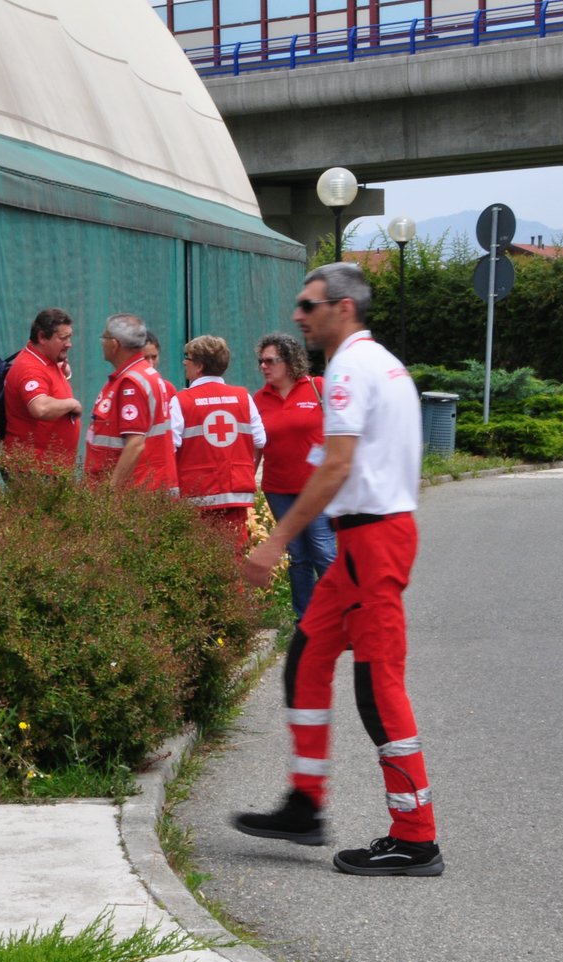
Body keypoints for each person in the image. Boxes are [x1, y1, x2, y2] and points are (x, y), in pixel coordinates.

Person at [233, 263, 443, 878]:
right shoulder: (381, 364)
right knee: (307, 658)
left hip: (373, 539)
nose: (299, 315)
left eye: (308, 304)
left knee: (379, 685)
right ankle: (304, 804)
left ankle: (416, 837)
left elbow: (335, 467)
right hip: (367, 539)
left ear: (342, 308)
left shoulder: (350, 367)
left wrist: (276, 542)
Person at [252, 332, 337, 623]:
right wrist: (247, 483)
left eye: (270, 360)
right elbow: (256, 446)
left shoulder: (317, 388)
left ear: (289, 361)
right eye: (260, 361)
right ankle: (307, 620)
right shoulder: (259, 399)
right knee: (298, 556)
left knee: (324, 551)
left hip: (316, 488)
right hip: (279, 490)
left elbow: (343, 430)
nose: (263, 366)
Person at [170, 334, 266, 551]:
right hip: (235, 493)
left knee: (197, 560)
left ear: (200, 365)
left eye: (188, 358)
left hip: (196, 495)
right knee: (233, 559)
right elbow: (261, 440)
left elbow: (169, 445)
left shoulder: (181, 401)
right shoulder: (243, 397)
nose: (185, 362)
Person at [84, 313, 177, 492]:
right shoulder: (143, 375)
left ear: (114, 344)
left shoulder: (131, 382)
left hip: (134, 491)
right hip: (145, 486)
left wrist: (110, 491)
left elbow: (135, 443)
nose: (102, 342)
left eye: (105, 337)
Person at [2, 308, 83, 470]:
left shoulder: (47, 359)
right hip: (32, 470)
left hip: (47, 468)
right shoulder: (30, 368)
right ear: (41, 337)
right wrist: (72, 404)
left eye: (70, 337)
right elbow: (40, 408)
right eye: (63, 338)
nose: (69, 344)